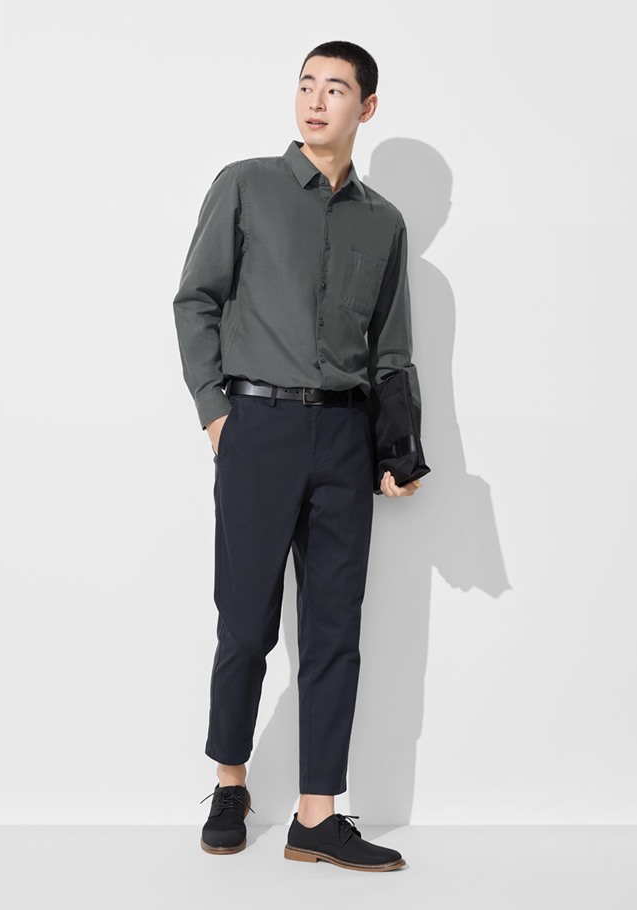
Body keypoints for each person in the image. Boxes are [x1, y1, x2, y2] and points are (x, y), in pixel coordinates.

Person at [173, 40, 423, 872]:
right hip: (258, 429)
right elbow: (196, 299)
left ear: (367, 107)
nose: (316, 101)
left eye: (336, 89)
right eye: (307, 85)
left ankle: (317, 815)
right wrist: (217, 413)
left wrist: (397, 448)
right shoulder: (245, 185)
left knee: (335, 630)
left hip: (345, 440)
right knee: (246, 623)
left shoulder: (384, 222)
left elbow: (391, 348)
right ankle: (230, 782)